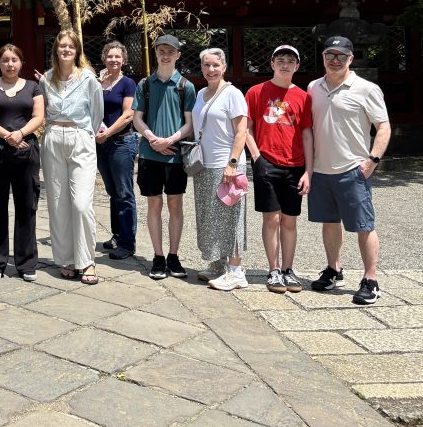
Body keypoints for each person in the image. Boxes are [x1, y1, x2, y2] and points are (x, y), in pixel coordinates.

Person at [307, 36, 391, 305]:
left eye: (341, 56)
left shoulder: (366, 89)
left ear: (350, 59)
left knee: (364, 225)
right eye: (330, 55)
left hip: (352, 168)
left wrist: (372, 160)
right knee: (329, 222)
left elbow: (384, 126)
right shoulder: (313, 87)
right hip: (321, 168)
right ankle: (334, 269)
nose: (335, 60)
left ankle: (370, 279)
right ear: (323, 58)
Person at [244, 44, 313, 294]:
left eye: (290, 60)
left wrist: (309, 170)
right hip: (267, 161)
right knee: (271, 218)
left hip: (295, 164)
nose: (285, 64)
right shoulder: (255, 92)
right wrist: (256, 158)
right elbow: (246, 127)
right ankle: (273, 270)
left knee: (290, 220)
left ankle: (288, 269)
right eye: (280, 59)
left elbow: (306, 134)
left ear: (297, 66)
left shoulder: (304, 97)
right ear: (272, 64)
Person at [40, 30, 104, 285]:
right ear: (56, 50)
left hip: (80, 137)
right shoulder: (47, 79)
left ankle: (87, 259)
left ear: (77, 51)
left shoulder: (88, 79)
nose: (66, 50)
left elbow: (96, 114)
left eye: (71, 47)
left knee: (81, 203)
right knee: (58, 202)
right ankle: (65, 257)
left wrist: (86, 134)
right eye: (61, 46)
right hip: (54, 136)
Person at [0, 44, 44, 280]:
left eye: (14, 59)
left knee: (27, 206)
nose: (10, 64)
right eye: (5, 60)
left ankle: (26, 263)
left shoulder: (33, 87)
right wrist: (8, 135)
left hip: (26, 151)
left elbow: (39, 116)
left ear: (21, 62)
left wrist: (20, 133)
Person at [132, 34, 195, 280]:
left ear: (178, 55)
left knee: (175, 205)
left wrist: (168, 141)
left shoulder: (186, 86)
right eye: (161, 51)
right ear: (155, 53)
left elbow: (189, 124)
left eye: (171, 51)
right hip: (149, 154)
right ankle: (158, 256)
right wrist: (152, 139)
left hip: (175, 156)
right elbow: (137, 117)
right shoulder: (145, 85)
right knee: (154, 204)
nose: (165, 55)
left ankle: (174, 255)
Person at [189, 49, 250, 291]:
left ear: (224, 67)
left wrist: (232, 163)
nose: (211, 69)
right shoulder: (201, 93)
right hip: (205, 164)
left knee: (231, 217)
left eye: (215, 65)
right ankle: (218, 264)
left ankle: (236, 271)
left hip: (227, 164)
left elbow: (241, 131)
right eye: (206, 65)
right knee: (210, 217)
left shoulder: (233, 94)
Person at [95, 41, 139, 260]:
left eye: (117, 57)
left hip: (121, 142)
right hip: (101, 143)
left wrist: (108, 133)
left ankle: (127, 242)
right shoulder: (99, 83)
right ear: (104, 59)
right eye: (109, 56)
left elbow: (128, 115)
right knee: (112, 192)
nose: (113, 60)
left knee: (124, 192)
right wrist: (96, 84)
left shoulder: (128, 83)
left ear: (124, 60)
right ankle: (117, 233)